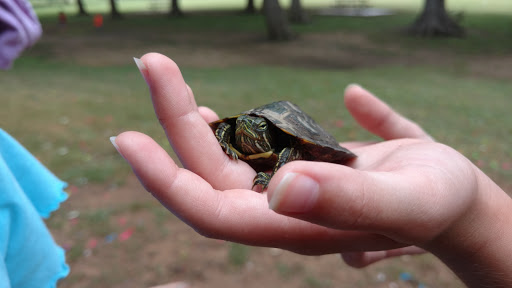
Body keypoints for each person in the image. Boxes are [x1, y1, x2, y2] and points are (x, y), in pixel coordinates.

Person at [112, 53, 512, 287]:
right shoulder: (239, 131)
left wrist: (471, 215)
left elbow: (290, 150)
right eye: (246, 130)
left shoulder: (284, 144)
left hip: (302, 143)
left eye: (257, 130)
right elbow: (229, 131)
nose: (248, 131)